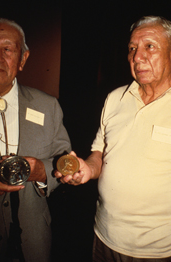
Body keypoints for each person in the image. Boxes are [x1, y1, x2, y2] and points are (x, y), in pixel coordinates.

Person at [55, 15, 171, 261]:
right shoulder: (115, 97)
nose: (137, 57)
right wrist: (87, 168)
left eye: (149, 46)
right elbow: (100, 152)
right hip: (104, 236)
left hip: (157, 249)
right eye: (132, 48)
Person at [0, 18, 71, 262]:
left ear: (23, 59)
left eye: (7, 49)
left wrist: (42, 172)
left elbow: (65, 158)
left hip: (33, 244)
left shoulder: (47, 105)